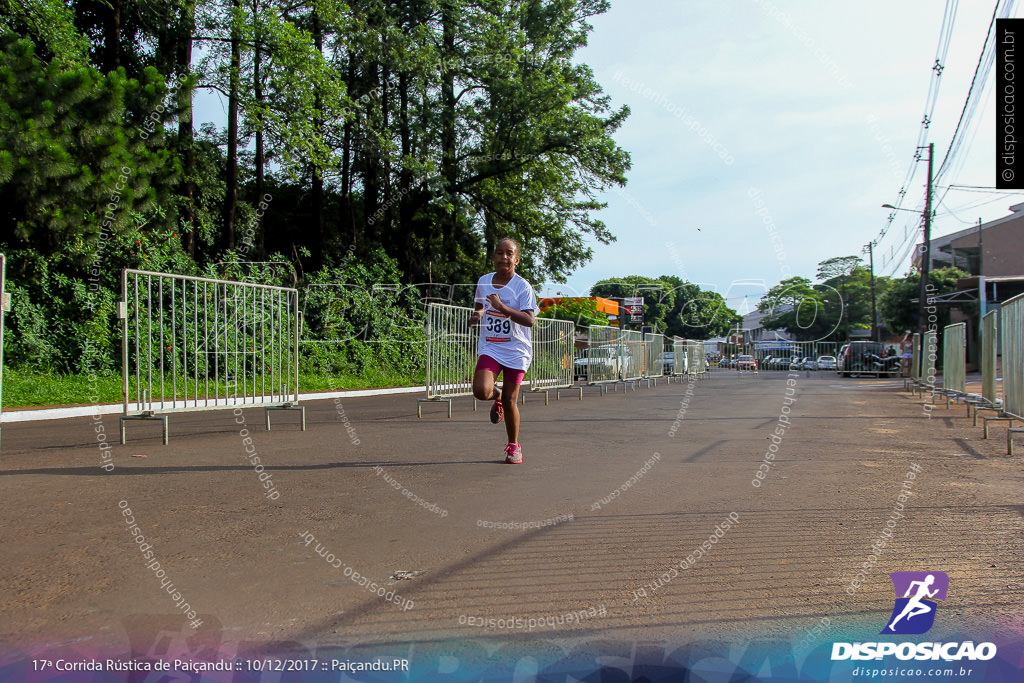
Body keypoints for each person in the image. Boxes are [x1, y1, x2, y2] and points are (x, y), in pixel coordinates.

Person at [468, 238, 537, 464]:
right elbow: (480, 304)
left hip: (517, 349)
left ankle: (513, 445)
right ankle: (495, 396)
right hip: (491, 346)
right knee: (480, 390)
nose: (504, 257)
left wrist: (502, 307)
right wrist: (478, 315)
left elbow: (529, 320)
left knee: (510, 400)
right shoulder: (484, 281)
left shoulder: (522, 287)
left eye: (509, 253)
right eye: (499, 253)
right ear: (494, 257)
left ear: (516, 259)